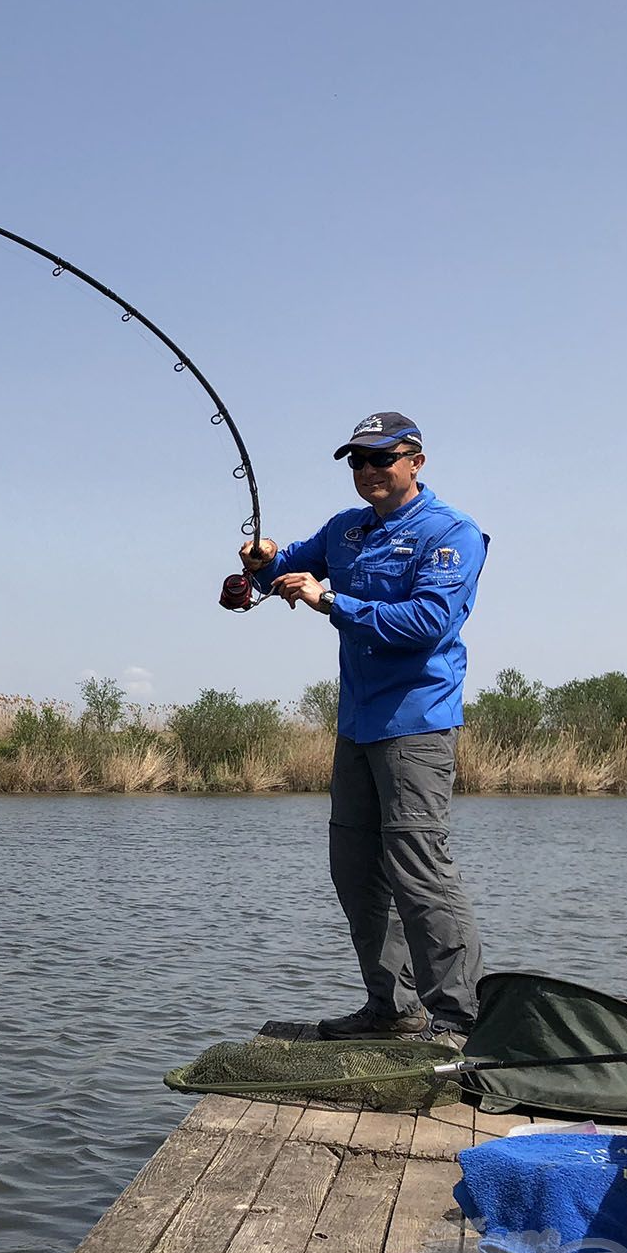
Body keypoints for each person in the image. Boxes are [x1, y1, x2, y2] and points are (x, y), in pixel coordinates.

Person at [239, 412, 488, 1048]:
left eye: (381, 458)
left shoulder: (450, 533)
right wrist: (262, 563)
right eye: (357, 461)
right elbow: (278, 574)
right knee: (356, 871)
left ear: (416, 462)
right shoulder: (344, 530)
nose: (367, 471)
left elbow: (427, 622)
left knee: (420, 870)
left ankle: (458, 1022)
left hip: (416, 725)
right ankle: (391, 1008)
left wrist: (330, 602)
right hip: (356, 728)